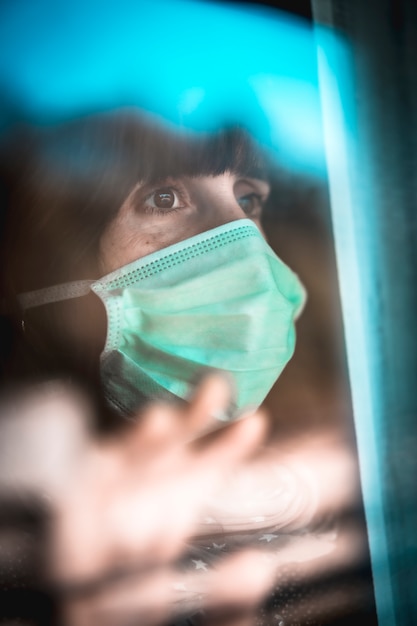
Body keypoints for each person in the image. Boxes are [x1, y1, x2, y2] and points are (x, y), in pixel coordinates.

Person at [0, 112, 344, 626]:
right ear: (59, 260)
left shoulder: (308, 483)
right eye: (163, 199)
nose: (244, 244)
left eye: (249, 200)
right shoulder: (22, 525)